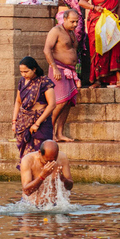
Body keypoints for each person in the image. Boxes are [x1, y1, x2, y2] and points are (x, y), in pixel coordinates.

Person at [43, 9, 80, 142]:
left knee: (68, 102)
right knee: (60, 101)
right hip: (58, 69)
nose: (75, 24)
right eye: (72, 21)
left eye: (77, 21)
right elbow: (47, 49)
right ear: (64, 19)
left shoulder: (72, 33)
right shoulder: (56, 31)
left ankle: (60, 133)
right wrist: (54, 68)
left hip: (70, 70)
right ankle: (49, 132)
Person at [12, 56, 56, 164]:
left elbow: (52, 104)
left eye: (26, 71)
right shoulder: (22, 81)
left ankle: (43, 177)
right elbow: (18, 102)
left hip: (41, 122)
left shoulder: (44, 82)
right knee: (26, 157)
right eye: (21, 72)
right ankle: (28, 178)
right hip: (24, 121)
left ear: (34, 69)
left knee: (42, 152)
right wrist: (14, 121)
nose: (23, 74)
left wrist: (37, 123)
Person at [20, 140, 73, 207]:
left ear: (57, 154)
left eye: (53, 160)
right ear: (39, 153)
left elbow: (70, 187)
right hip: (31, 206)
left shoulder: (62, 158)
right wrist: (42, 176)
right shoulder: (28, 160)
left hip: (54, 206)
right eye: (47, 161)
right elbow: (27, 191)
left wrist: (62, 179)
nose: (50, 164)